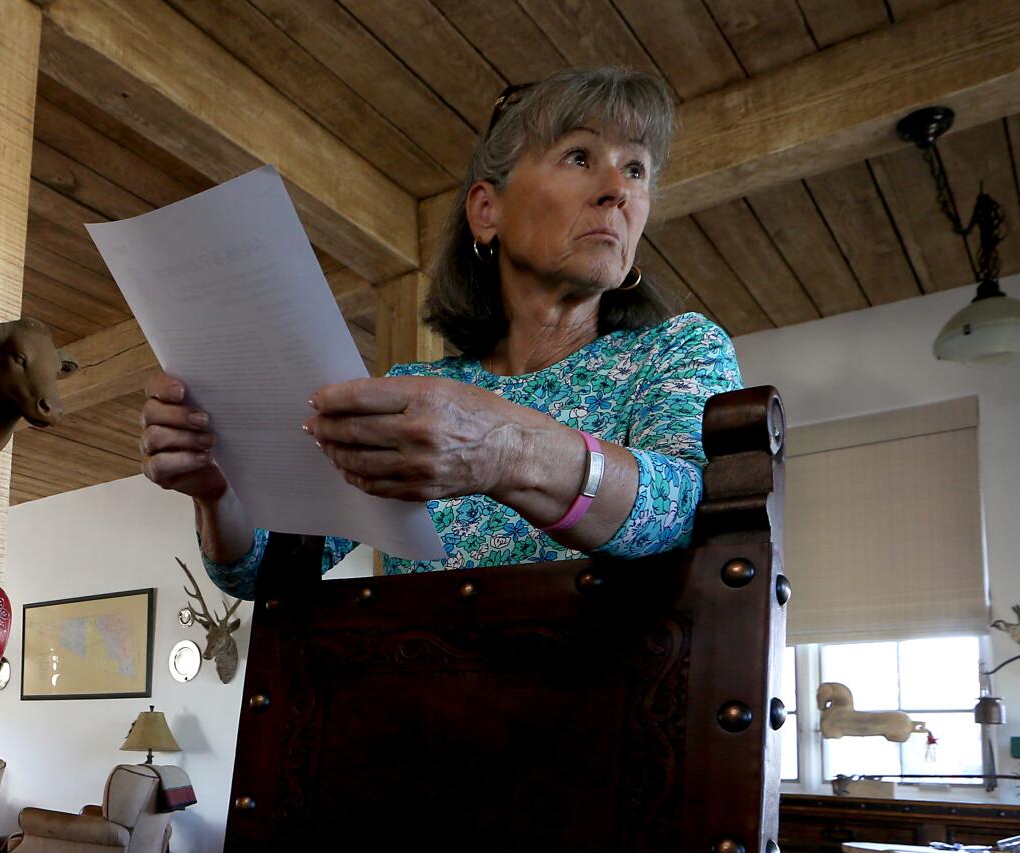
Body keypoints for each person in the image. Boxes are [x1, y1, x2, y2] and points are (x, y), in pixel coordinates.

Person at [137, 68, 744, 599]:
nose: (619, 190)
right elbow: (266, 573)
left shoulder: (677, 350)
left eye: (636, 168)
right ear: (487, 211)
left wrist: (507, 449)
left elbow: (690, 511)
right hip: (423, 716)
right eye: (581, 157)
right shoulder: (418, 390)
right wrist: (218, 492)